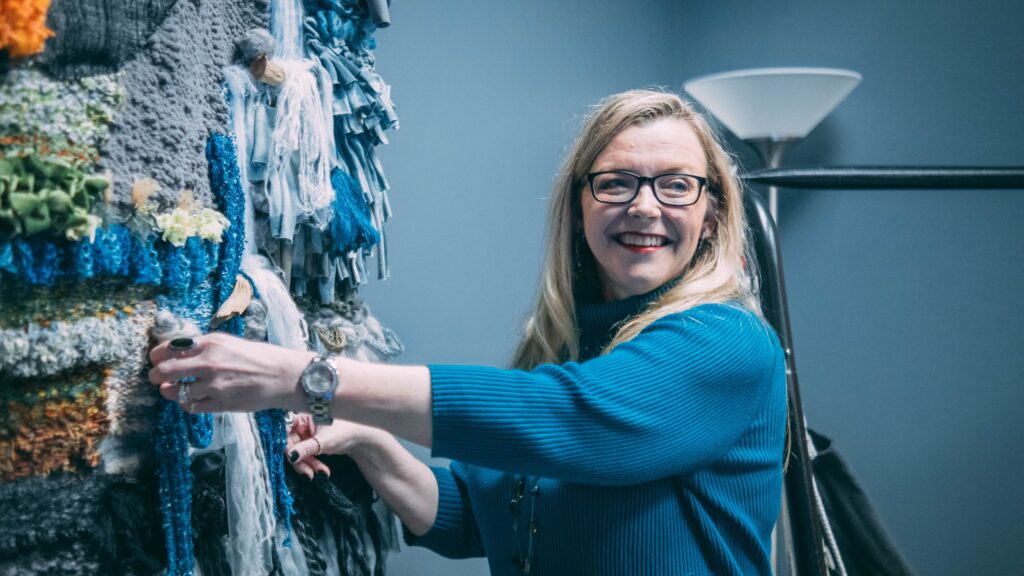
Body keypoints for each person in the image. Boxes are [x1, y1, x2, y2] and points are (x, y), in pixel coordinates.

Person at [149, 89, 787, 575]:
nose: (644, 205)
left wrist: (301, 378)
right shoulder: (570, 348)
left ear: (711, 217)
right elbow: (478, 520)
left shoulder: (728, 342)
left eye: (676, 186)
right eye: (615, 182)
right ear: (579, 209)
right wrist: (370, 442)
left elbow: (571, 422)